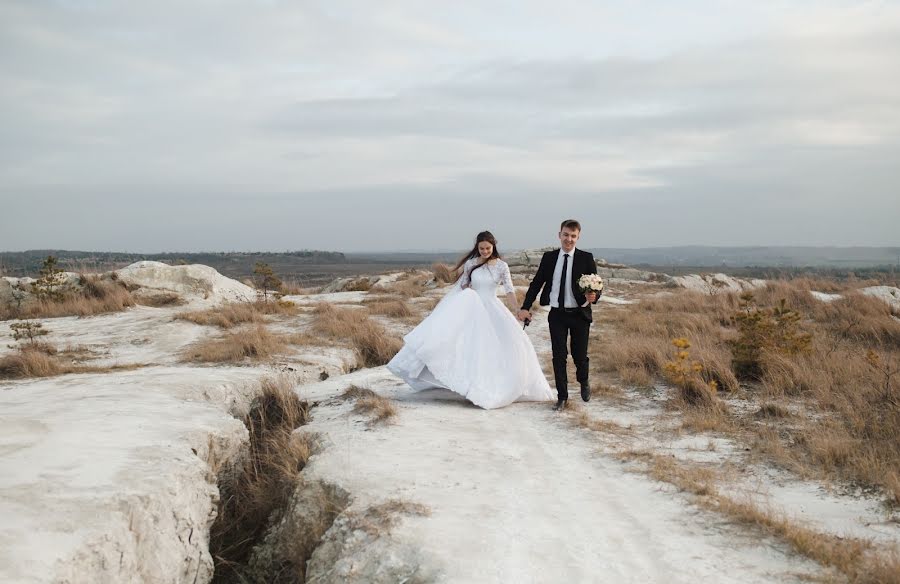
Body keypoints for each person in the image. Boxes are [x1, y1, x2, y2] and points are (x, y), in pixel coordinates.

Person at [387, 231, 555, 409]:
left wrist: (518, 310)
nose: (484, 251)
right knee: (468, 347)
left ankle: (496, 384)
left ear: (493, 246)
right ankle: (468, 383)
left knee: (504, 346)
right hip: (471, 309)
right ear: (477, 247)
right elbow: (463, 286)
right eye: (481, 248)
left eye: (488, 248)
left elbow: (509, 291)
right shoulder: (471, 264)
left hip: (492, 307)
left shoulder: (502, 266)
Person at [517, 220, 601, 411]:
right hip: (557, 315)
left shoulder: (586, 258)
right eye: (565, 235)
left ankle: (583, 380)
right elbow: (537, 283)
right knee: (558, 356)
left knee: (580, 356)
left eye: (573, 236)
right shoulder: (549, 257)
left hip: (580, 314)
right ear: (559, 235)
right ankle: (562, 397)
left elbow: (597, 284)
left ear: (577, 237)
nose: (568, 239)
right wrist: (525, 307)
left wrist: (594, 297)